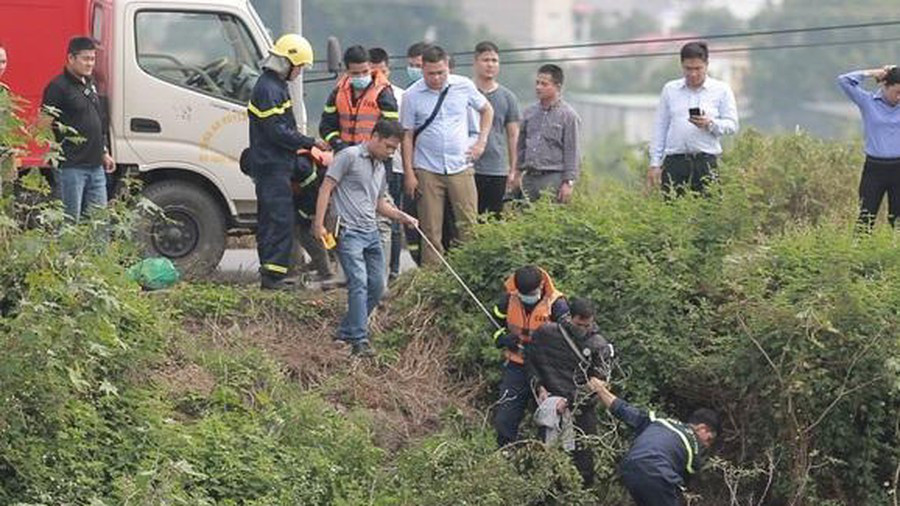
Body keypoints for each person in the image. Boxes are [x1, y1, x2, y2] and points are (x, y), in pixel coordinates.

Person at [313, 120, 417, 357]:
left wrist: (403, 217)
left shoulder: (380, 167)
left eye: (394, 149)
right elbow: (326, 189)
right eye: (388, 146)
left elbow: (379, 203)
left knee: (378, 286)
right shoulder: (348, 156)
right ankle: (359, 339)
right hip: (348, 231)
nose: (390, 152)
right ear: (376, 137)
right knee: (358, 282)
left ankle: (346, 331)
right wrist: (319, 225)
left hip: (371, 232)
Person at [247, 33, 328, 290]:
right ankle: (273, 279)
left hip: (275, 163)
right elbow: (277, 131)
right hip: (272, 165)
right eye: (300, 66)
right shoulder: (269, 89)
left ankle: (272, 275)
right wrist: (309, 142)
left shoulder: (275, 85)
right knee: (278, 220)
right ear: (288, 63)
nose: (300, 71)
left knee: (274, 219)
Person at [401, 45, 493, 266]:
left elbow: (486, 110)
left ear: (448, 68)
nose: (436, 78)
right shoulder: (411, 95)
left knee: (468, 223)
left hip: (460, 165)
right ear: (423, 70)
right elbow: (406, 136)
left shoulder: (463, 85)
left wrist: (481, 142)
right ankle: (433, 274)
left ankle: (469, 269)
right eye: (431, 73)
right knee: (430, 227)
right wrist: (409, 173)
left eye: (441, 73)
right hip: (427, 167)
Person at [588, 378, 721, 506]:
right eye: (709, 439)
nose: (707, 445)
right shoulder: (694, 446)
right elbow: (685, 485)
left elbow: (624, 410)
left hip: (630, 467)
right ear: (702, 428)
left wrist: (600, 389)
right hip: (658, 472)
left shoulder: (660, 421)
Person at [526, 298, 614, 487]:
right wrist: (539, 387)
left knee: (584, 459)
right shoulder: (546, 333)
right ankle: (548, 492)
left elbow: (598, 384)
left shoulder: (598, 345)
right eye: (579, 324)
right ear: (570, 317)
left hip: (581, 408)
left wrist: (570, 402)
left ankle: (582, 493)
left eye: (587, 325)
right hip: (550, 404)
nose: (583, 329)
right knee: (547, 456)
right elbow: (531, 361)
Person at [647, 41, 739, 195]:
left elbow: (732, 125)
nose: (693, 74)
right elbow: (660, 127)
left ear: (706, 65)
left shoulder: (721, 90)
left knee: (709, 207)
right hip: (675, 162)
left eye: (698, 68)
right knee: (672, 207)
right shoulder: (670, 90)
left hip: (705, 162)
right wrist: (655, 163)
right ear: (682, 66)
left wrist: (710, 124)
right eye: (688, 69)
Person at [491, 265, 568, 447]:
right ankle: (505, 452)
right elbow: (495, 323)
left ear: (541, 285)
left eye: (531, 293)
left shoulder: (557, 305)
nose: (527, 297)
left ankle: (544, 455)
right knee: (505, 417)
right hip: (516, 365)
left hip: (546, 370)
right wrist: (502, 338)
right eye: (523, 294)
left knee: (548, 418)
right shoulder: (508, 300)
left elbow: (568, 339)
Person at [41, 37, 115, 221]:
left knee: (99, 222)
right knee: (69, 222)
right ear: (71, 58)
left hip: (96, 167)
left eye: (93, 59)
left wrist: (104, 152)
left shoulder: (90, 83)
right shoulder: (57, 87)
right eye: (85, 59)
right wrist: (55, 152)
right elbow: (42, 125)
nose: (90, 63)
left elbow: (96, 121)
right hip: (71, 168)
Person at [837, 65, 900, 228]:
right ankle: (861, 245)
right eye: (897, 92)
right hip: (875, 168)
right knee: (866, 216)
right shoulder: (868, 102)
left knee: (897, 220)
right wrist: (873, 73)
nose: (899, 97)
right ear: (885, 85)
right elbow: (844, 81)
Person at [513, 64, 581, 204]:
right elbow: (521, 147)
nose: (538, 87)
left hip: (553, 178)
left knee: (550, 215)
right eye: (537, 83)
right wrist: (516, 172)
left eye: (544, 84)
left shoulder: (568, 116)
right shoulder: (529, 113)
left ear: (558, 87)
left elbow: (572, 151)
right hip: (529, 178)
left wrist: (568, 183)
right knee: (525, 214)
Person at [370, 47, 407, 281]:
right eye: (373, 72)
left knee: (390, 216)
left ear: (388, 70)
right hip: (366, 163)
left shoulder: (400, 96)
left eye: (382, 71)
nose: (378, 77)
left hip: (394, 165)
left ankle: (392, 270)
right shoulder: (358, 95)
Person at [472, 41, 521, 215]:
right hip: (468, 167)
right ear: (476, 62)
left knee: (494, 218)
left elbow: (513, 136)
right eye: (486, 60)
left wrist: (513, 169)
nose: (490, 65)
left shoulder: (508, 97)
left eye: (494, 60)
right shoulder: (465, 92)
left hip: (496, 168)